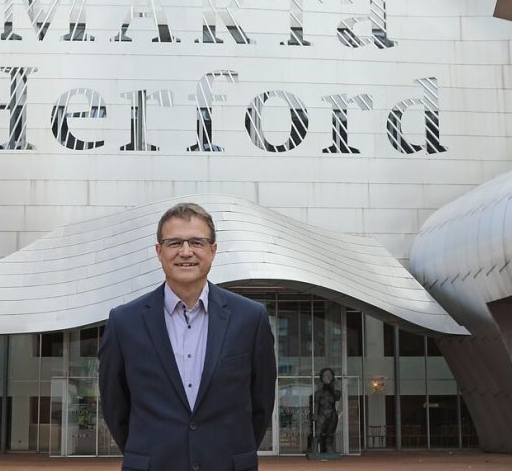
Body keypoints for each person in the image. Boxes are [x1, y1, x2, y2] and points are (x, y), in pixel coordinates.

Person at [99, 202, 277, 471]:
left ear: (213, 250)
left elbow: (261, 403)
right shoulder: (124, 322)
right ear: (159, 251)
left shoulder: (250, 318)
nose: (186, 252)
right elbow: (115, 407)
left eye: (196, 242)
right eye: (174, 243)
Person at [309, 367, 341, 453]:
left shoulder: (336, 392)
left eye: (330, 375)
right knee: (318, 433)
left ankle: (329, 447)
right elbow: (316, 404)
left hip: (332, 414)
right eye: (326, 375)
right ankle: (315, 448)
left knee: (330, 434)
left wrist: (332, 387)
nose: (328, 377)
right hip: (322, 414)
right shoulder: (318, 393)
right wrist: (315, 414)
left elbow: (337, 397)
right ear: (322, 378)